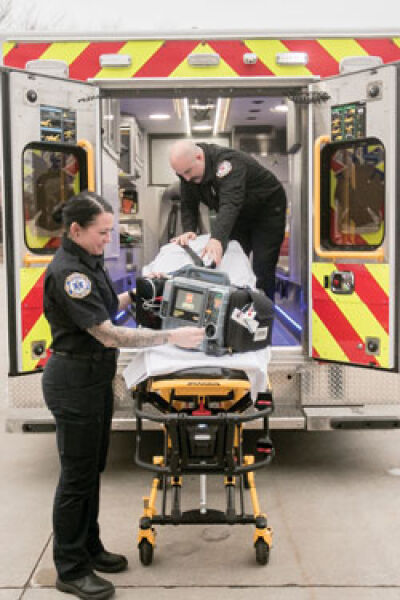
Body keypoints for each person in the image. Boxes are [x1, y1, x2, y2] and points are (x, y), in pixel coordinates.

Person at [42, 191, 204, 600]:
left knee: (91, 471)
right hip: (74, 380)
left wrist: (139, 291)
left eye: (110, 231)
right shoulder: (68, 273)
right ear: (76, 230)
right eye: (102, 232)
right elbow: (108, 332)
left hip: (93, 378)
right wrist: (171, 336)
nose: (107, 240)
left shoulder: (87, 262)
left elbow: (103, 309)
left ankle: (90, 548)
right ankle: (71, 567)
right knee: (76, 479)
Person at [169, 140, 287, 300]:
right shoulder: (187, 172)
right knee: (231, 262)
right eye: (181, 175)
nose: (187, 178)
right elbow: (188, 203)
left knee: (262, 266)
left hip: (266, 211)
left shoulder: (228, 163)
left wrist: (217, 238)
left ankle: (262, 318)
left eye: (188, 172)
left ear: (199, 157)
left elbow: (230, 202)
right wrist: (189, 229)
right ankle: (233, 313)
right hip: (239, 216)